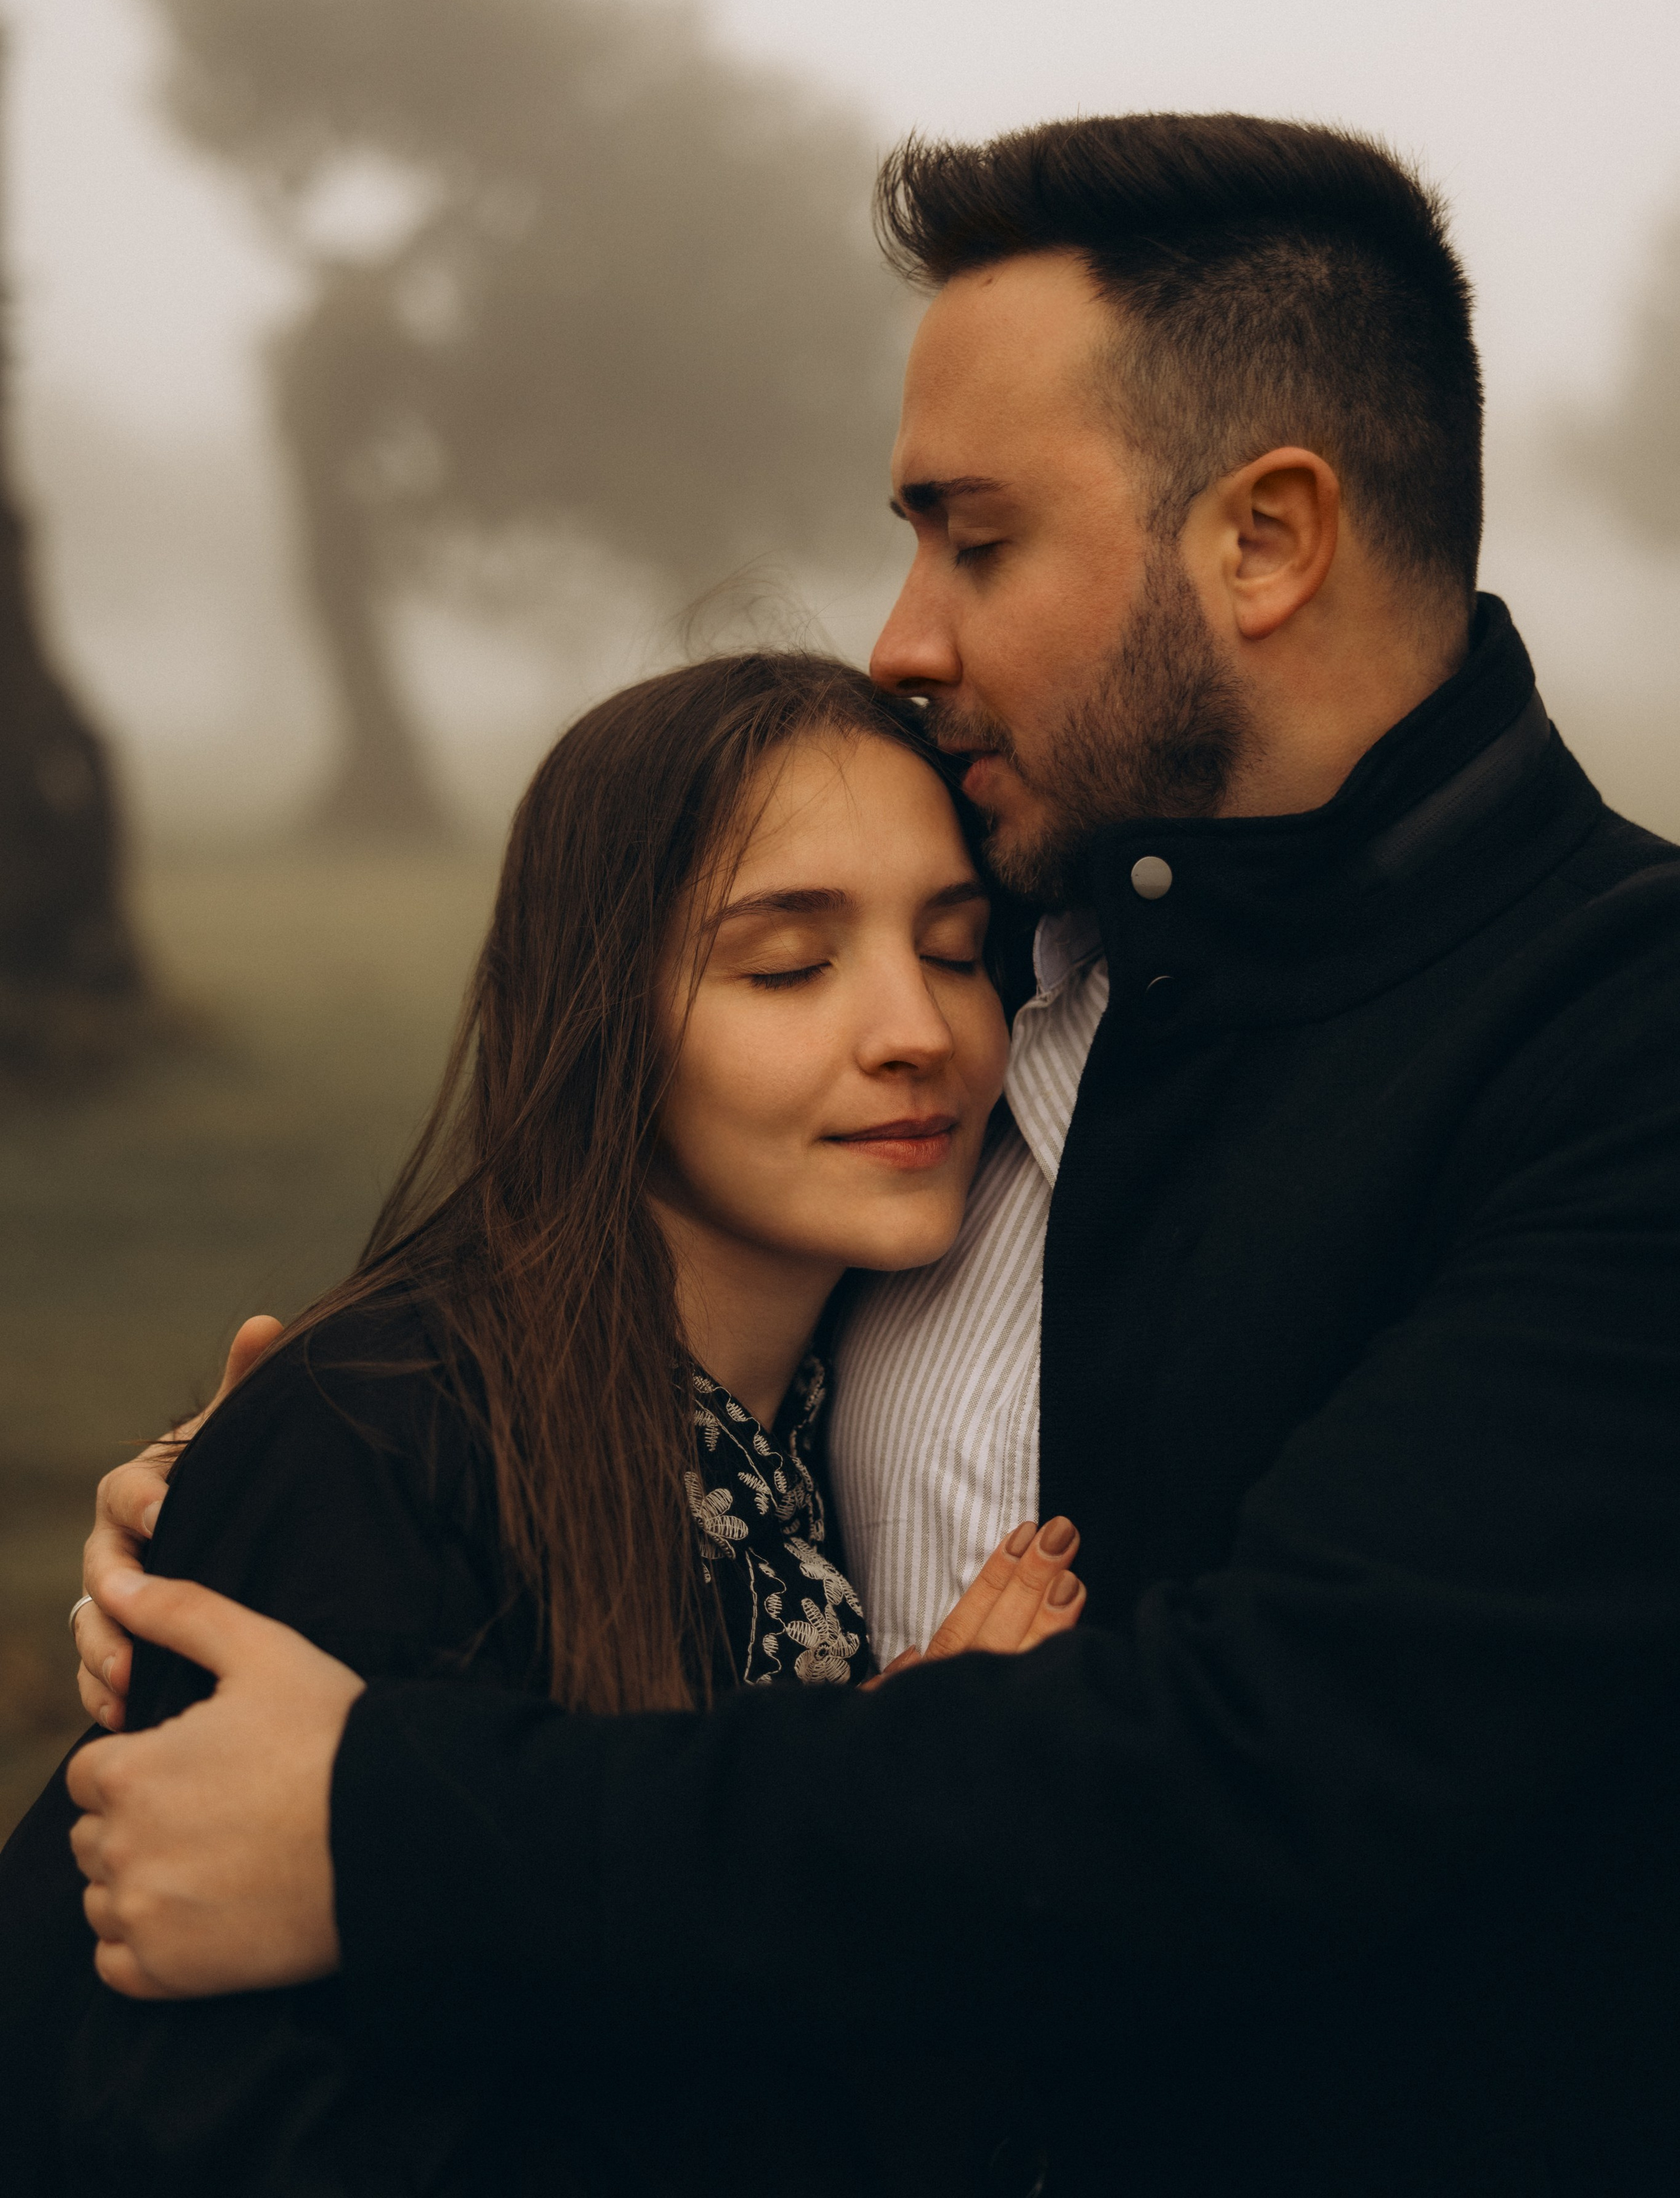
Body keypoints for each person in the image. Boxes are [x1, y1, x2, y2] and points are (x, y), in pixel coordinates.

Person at [45, 113, 1680, 2195]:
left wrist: (382, 1820)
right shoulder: (1026, 903)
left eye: (976, 540)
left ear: (1267, 541)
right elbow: (628, 1271)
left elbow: (1259, 1772)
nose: (906, 633)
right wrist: (319, 1489)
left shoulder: (1615, 1035)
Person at [0, 649, 1090, 2194]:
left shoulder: (848, 1406)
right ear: (599, 1017)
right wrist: (906, 1823)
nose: (916, 1029)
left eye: (958, 949)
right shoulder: (381, 1440)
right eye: (787, 967)